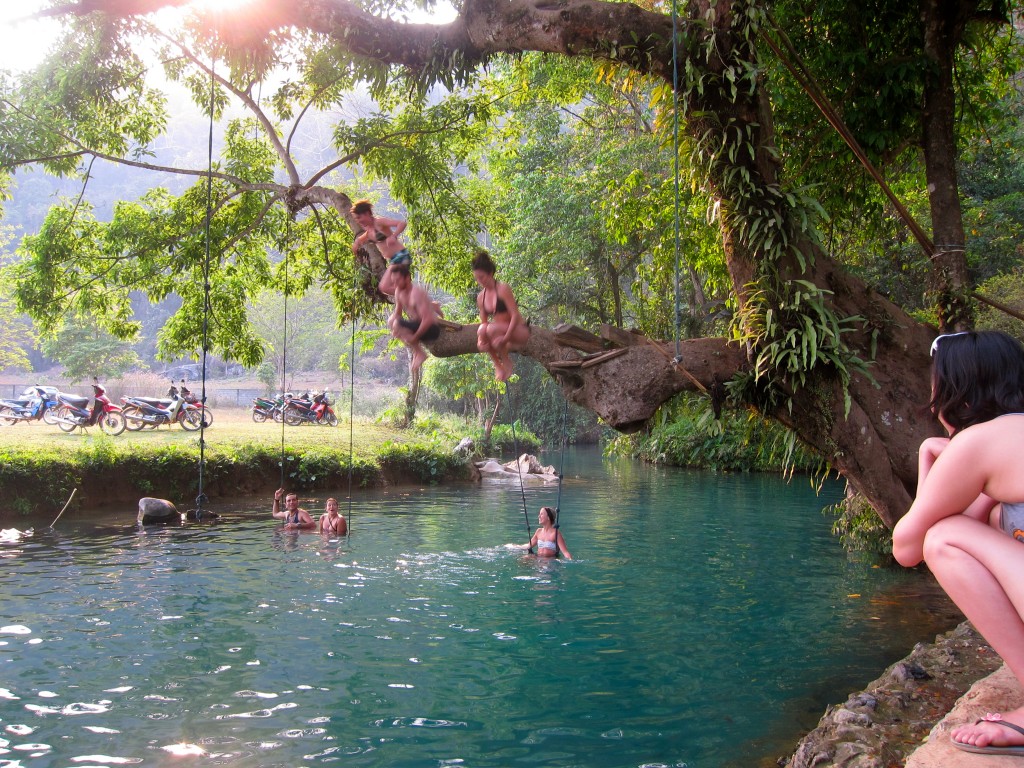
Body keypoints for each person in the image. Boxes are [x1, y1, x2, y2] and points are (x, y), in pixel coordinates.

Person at [892, 330, 1024, 756]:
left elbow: (909, 546)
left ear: (957, 392)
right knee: (990, 519)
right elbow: (974, 521)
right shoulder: (1008, 437)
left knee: (943, 539)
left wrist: (929, 459)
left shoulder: (978, 444)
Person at [472, 249, 530, 381]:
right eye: (477, 279)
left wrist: (505, 338)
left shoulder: (503, 289)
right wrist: (480, 342)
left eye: (482, 277)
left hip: (518, 330)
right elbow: (483, 324)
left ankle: (507, 361)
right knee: (482, 329)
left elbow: (515, 316)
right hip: (499, 332)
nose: (480, 281)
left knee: (491, 329)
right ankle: (498, 365)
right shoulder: (481, 297)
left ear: (490, 273)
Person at [351, 199, 410, 297]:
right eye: (356, 219)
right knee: (396, 287)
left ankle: (411, 296)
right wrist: (356, 244)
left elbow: (402, 223)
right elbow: (361, 239)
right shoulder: (369, 231)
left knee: (384, 287)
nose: (358, 221)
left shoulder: (379, 222)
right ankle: (418, 300)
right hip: (393, 260)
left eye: (359, 217)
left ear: (367, 214)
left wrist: (394, 235)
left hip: (401, 256)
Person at [389, 263, 441, 373]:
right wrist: (395, 329)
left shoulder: (416, 293)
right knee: (392, 321)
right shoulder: (399, 292)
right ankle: (418, 351)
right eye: (394, 281)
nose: (396, 284)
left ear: (407, 278)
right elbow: (397, 313)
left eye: (398, 280)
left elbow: (427, 320)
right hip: (417, 324)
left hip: (431, 328)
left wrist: (415, 337)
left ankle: (419, 352)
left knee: (397, 324)